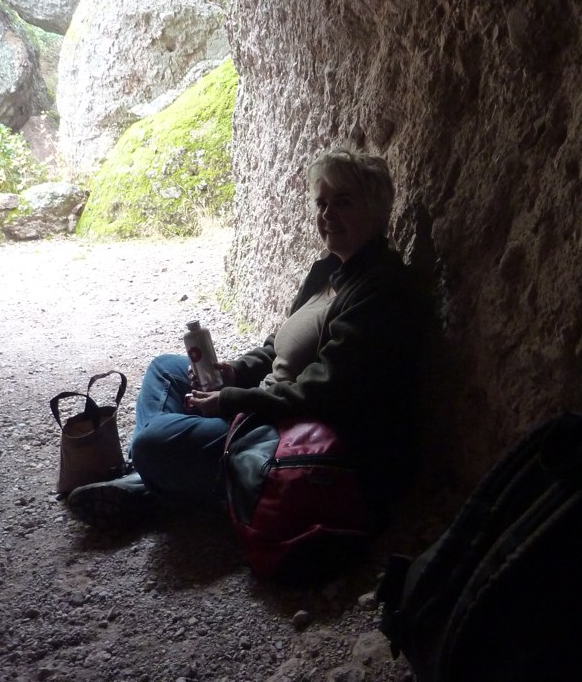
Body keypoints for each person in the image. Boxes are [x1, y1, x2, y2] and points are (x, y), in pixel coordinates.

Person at [66, 148, 427, 528]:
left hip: (284, 432)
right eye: (321, 203)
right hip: (266, 406)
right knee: (165, 370)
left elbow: (322, 395)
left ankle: (151, 482)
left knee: (150, 444)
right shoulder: (329, 272)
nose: (327, 215)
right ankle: (156, 481)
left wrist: (229, 401)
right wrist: (236, 372)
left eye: (343, 202)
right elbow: (278, 347)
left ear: (376, 209)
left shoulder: (379, 290)